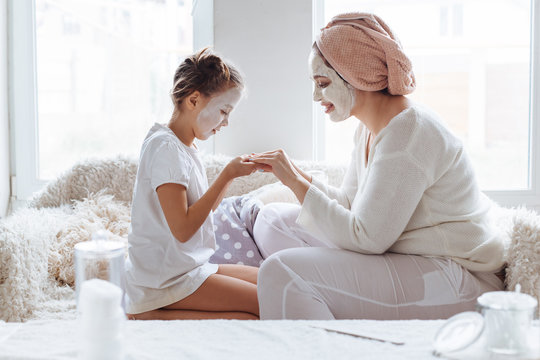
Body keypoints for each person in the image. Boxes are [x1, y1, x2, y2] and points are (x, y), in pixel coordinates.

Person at [249, 13, 505, 320]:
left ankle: (322, 321)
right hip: (408, 258)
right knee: (273, 220)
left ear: (357, 76)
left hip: (457, 279)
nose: (316, 95)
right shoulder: (370, 129)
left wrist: (295, 182)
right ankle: (320, 302)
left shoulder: (409, 133)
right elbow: (349, 204)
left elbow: (366, 238)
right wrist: (293, 174)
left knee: (281, 272)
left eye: (323, 83)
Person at [125, 48, 264, 320]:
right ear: (194, 100)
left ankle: (154, 312)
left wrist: (233, 174)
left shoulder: (182, 147)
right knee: (264, 305)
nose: (226, 122)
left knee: (272, 283)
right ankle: (150, 313)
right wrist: (226, 174)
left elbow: (200, 213)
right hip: (163, 281)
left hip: (186, 269)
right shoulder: (166, 149)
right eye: (224, 111)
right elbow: (183, 229)